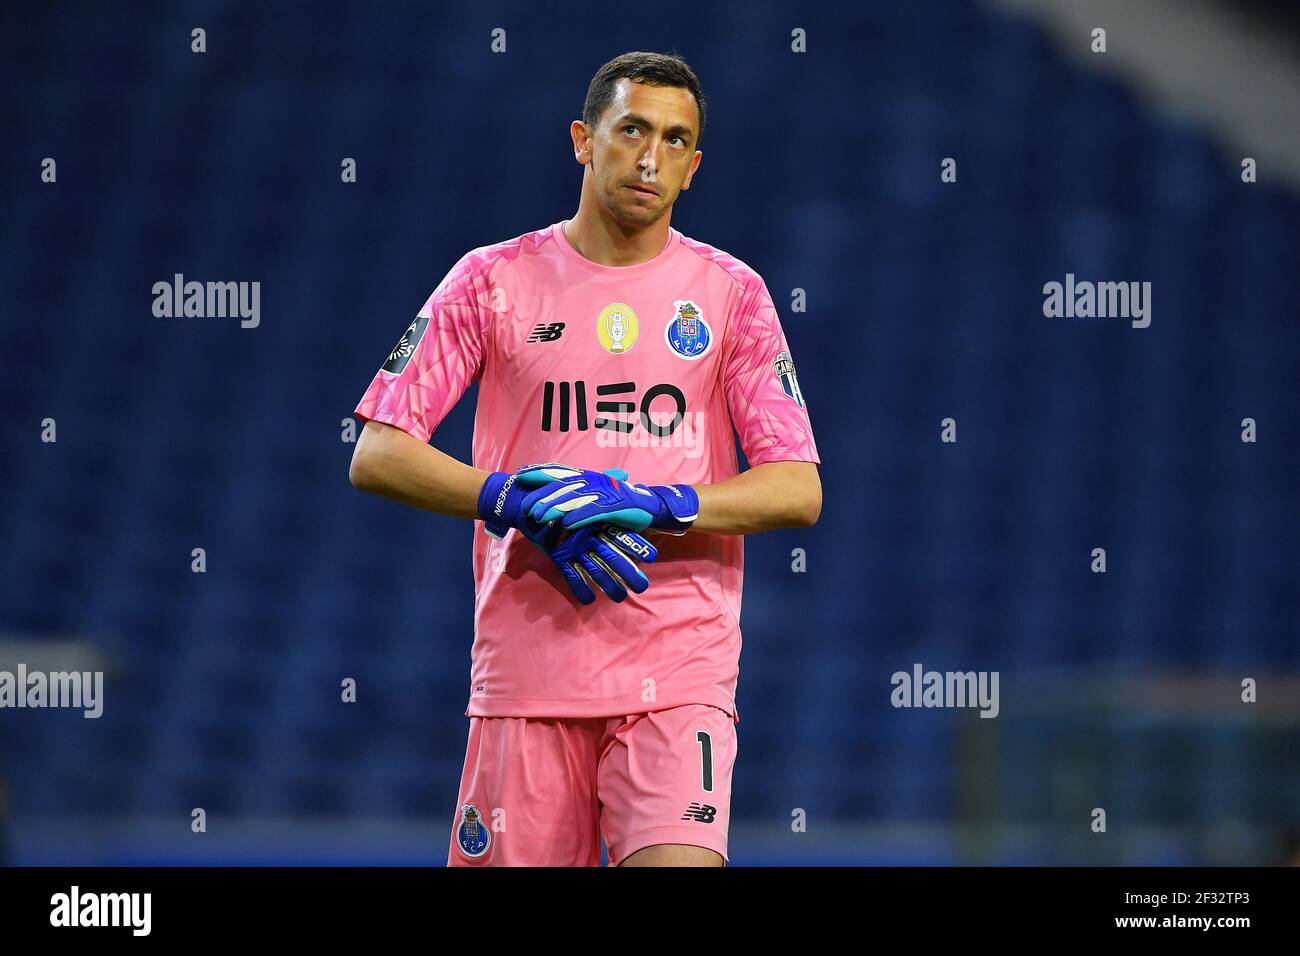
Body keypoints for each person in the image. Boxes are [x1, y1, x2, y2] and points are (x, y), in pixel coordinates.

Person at [349, 50, 821, 867]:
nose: (650, 158)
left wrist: (661, 504)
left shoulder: (732, 293)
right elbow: (378, 451)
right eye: (632, 129)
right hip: (529, 673)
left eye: (676, 141)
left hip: (679, 676)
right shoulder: (491, 281)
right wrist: (512, 499)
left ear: (695, 167)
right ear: (582, 138)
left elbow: (797, 487)